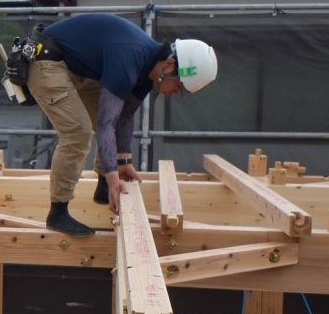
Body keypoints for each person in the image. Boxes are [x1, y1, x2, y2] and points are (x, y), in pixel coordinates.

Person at [26, 13, 217, 235]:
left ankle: (103, 187)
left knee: (107, 116)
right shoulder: (129, 57)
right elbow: (106, 124)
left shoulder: (148, 71)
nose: (176, 93)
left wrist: (123, 162)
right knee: (78, 133)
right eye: (180, 86)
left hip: (74, 66)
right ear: (169, 65)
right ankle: (58, 212)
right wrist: (113, 175)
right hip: (46, 60)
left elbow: (125, 115)